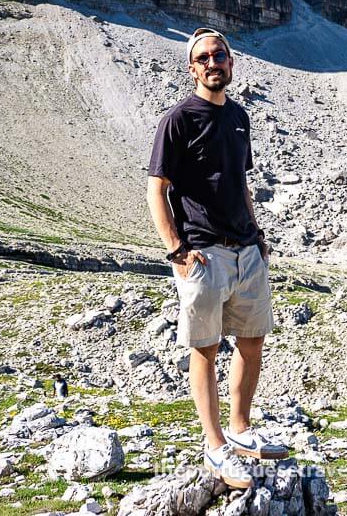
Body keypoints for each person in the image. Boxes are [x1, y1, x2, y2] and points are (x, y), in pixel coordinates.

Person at [146, 26, 287, 488]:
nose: (213, 63)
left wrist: (258, 234)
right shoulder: (178, 119)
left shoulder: (240, 117)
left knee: (252, 341)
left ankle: (242, 430)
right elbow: (157, 188)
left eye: (220, 55)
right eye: (204, 58)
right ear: (192, 68)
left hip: (246, 250)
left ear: (231, 63)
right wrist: (176, 252)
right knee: (204, 348)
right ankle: (215, 447)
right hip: (202, 254)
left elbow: (240, 183)